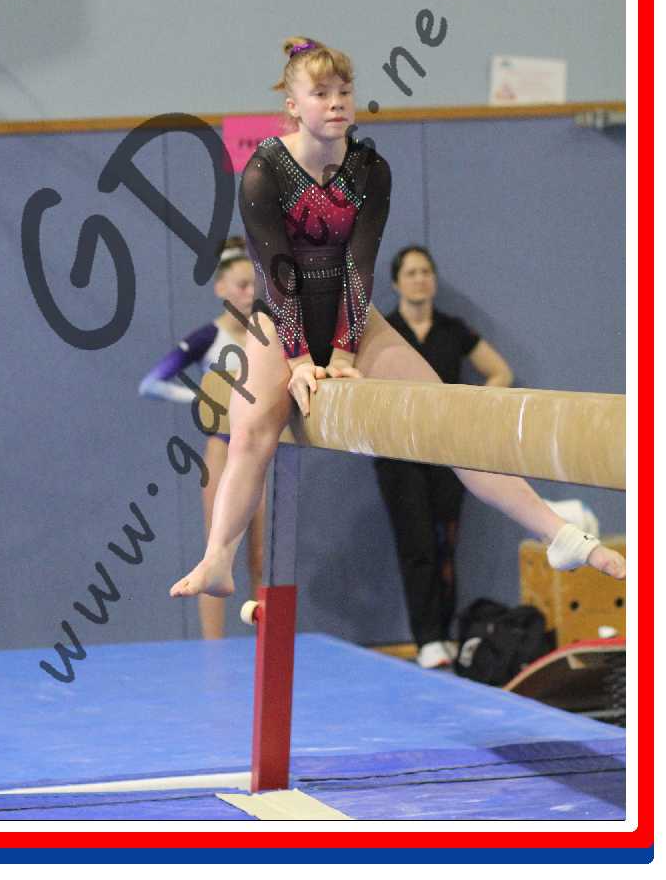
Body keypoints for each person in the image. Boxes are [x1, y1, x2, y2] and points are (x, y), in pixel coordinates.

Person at [169, 36, 626, 605]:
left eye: (344, 91)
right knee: (252, 432)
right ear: (293, 105)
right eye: (321, 93)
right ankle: (218, 558)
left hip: (352, 319)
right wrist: (300, 359)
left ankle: (558, 534)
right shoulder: (265, 170)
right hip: (280, 323)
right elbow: (276, 271)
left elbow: (359, 265)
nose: (336, 102)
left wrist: (341, 352)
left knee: (449, 424)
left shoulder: (369, 169)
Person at [375, 245, 514, 669]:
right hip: (398, 452)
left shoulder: (454, 330)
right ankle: (427, 638)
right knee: (415, 545)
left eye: (426, 272)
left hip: (447, 449)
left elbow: (501, 372)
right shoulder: (383, 332)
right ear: (397, 282)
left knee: (445, 544)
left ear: (434, 279)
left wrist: (470, 407)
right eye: (411, 273)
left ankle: (447, 632)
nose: (420, 279)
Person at [139, 238, 264, 638]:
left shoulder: (268, 337)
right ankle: (212, 649)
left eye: (254, 284)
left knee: (262, 555)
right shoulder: (207, 337)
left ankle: (268, 646)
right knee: (216, 551)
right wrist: (203, 397)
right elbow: (150, 384)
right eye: (241, 285)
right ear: (221, 288)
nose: (249, 293)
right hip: (223, 449)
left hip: (262, 450)